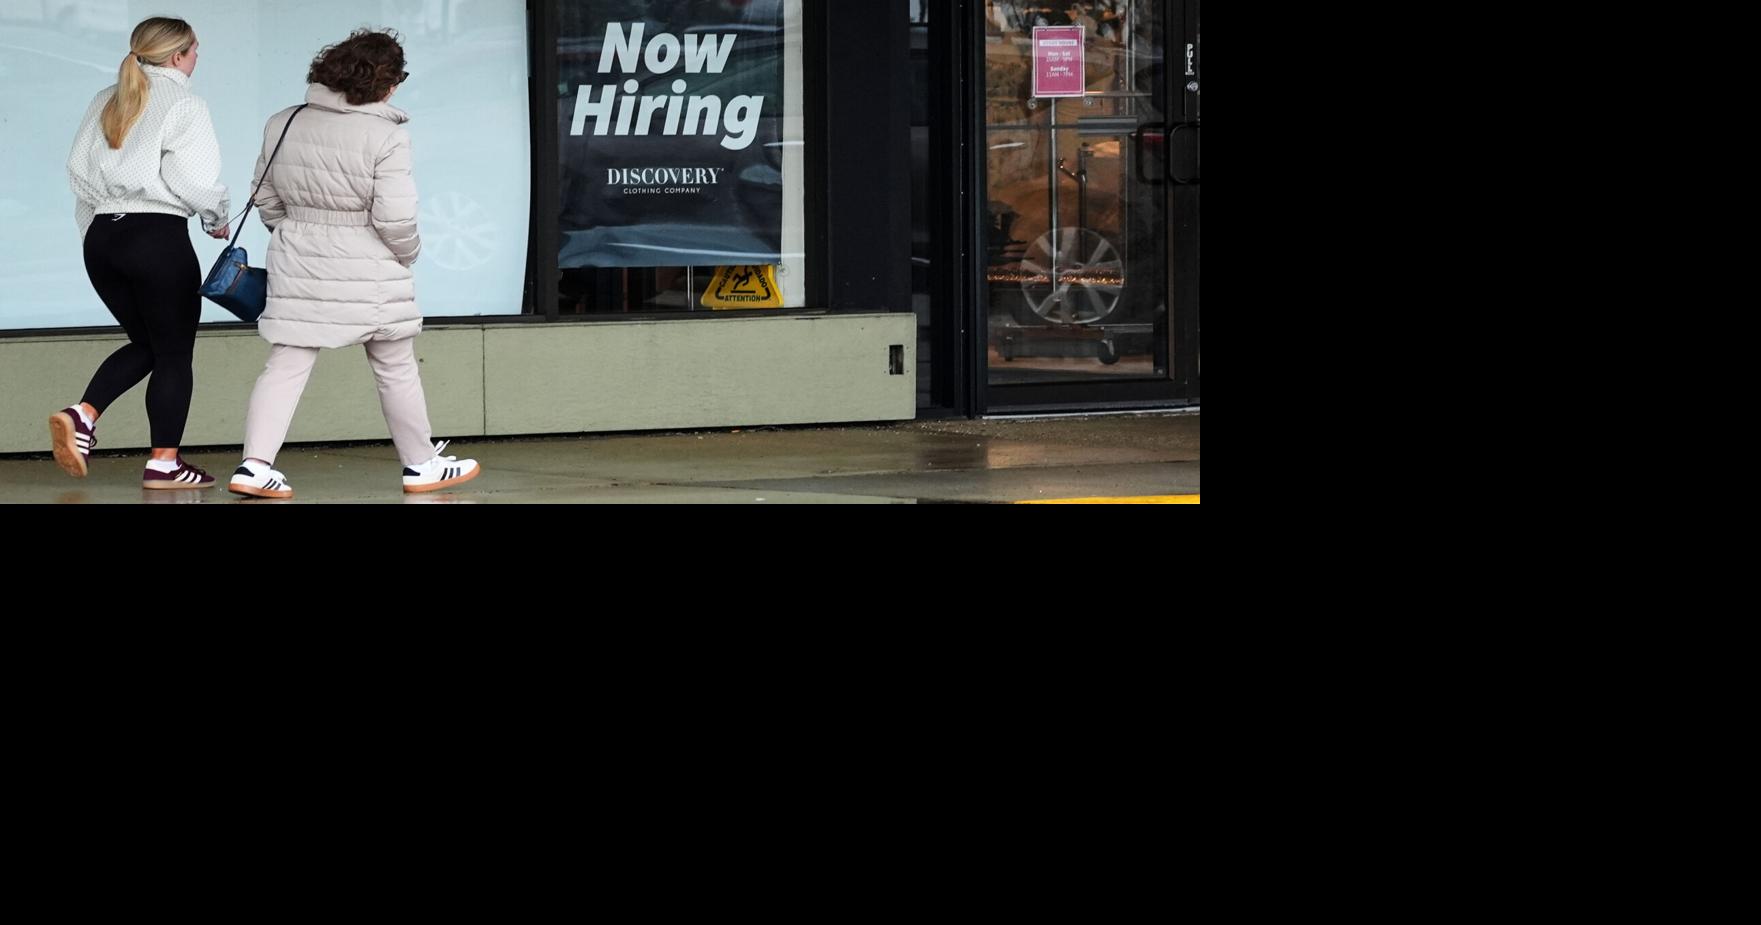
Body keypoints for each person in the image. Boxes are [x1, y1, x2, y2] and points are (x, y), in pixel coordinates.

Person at [227, 28, 480, 499]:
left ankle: (254, 466)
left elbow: (264, 197)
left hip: (298, 258)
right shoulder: (387, 136)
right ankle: (421, 465)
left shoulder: (284, 122)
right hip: (371, 264)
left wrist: (297, 232)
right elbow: (395, 218)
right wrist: (407, 254)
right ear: (385, 83)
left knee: (286, 363)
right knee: (395, 364)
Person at [53, 16, 230, 489]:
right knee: (174, 352)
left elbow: (77, 172)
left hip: (103, 239)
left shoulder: (104, 99)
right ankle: (164, 464)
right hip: (156, 237)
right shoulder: (185, 103)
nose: (197, 57)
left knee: (149, 344)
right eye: (194, 49)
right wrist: (216, 216)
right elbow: (192, 180)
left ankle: (83, 415)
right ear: (177, 56)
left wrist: (98, 233)